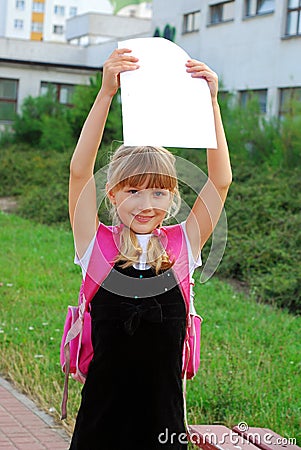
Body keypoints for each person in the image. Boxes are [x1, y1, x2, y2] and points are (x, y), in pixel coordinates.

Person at [68, 48, 232, 450]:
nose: (147, 204)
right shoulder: (96, 245)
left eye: (159, 192)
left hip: (163, 421)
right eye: (134, 191)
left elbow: (221, 181)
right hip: (101, 422)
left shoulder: (183, 244)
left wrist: (210, 102)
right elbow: (78, 171)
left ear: (173, 195)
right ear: (112, 193)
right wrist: (106, 93)